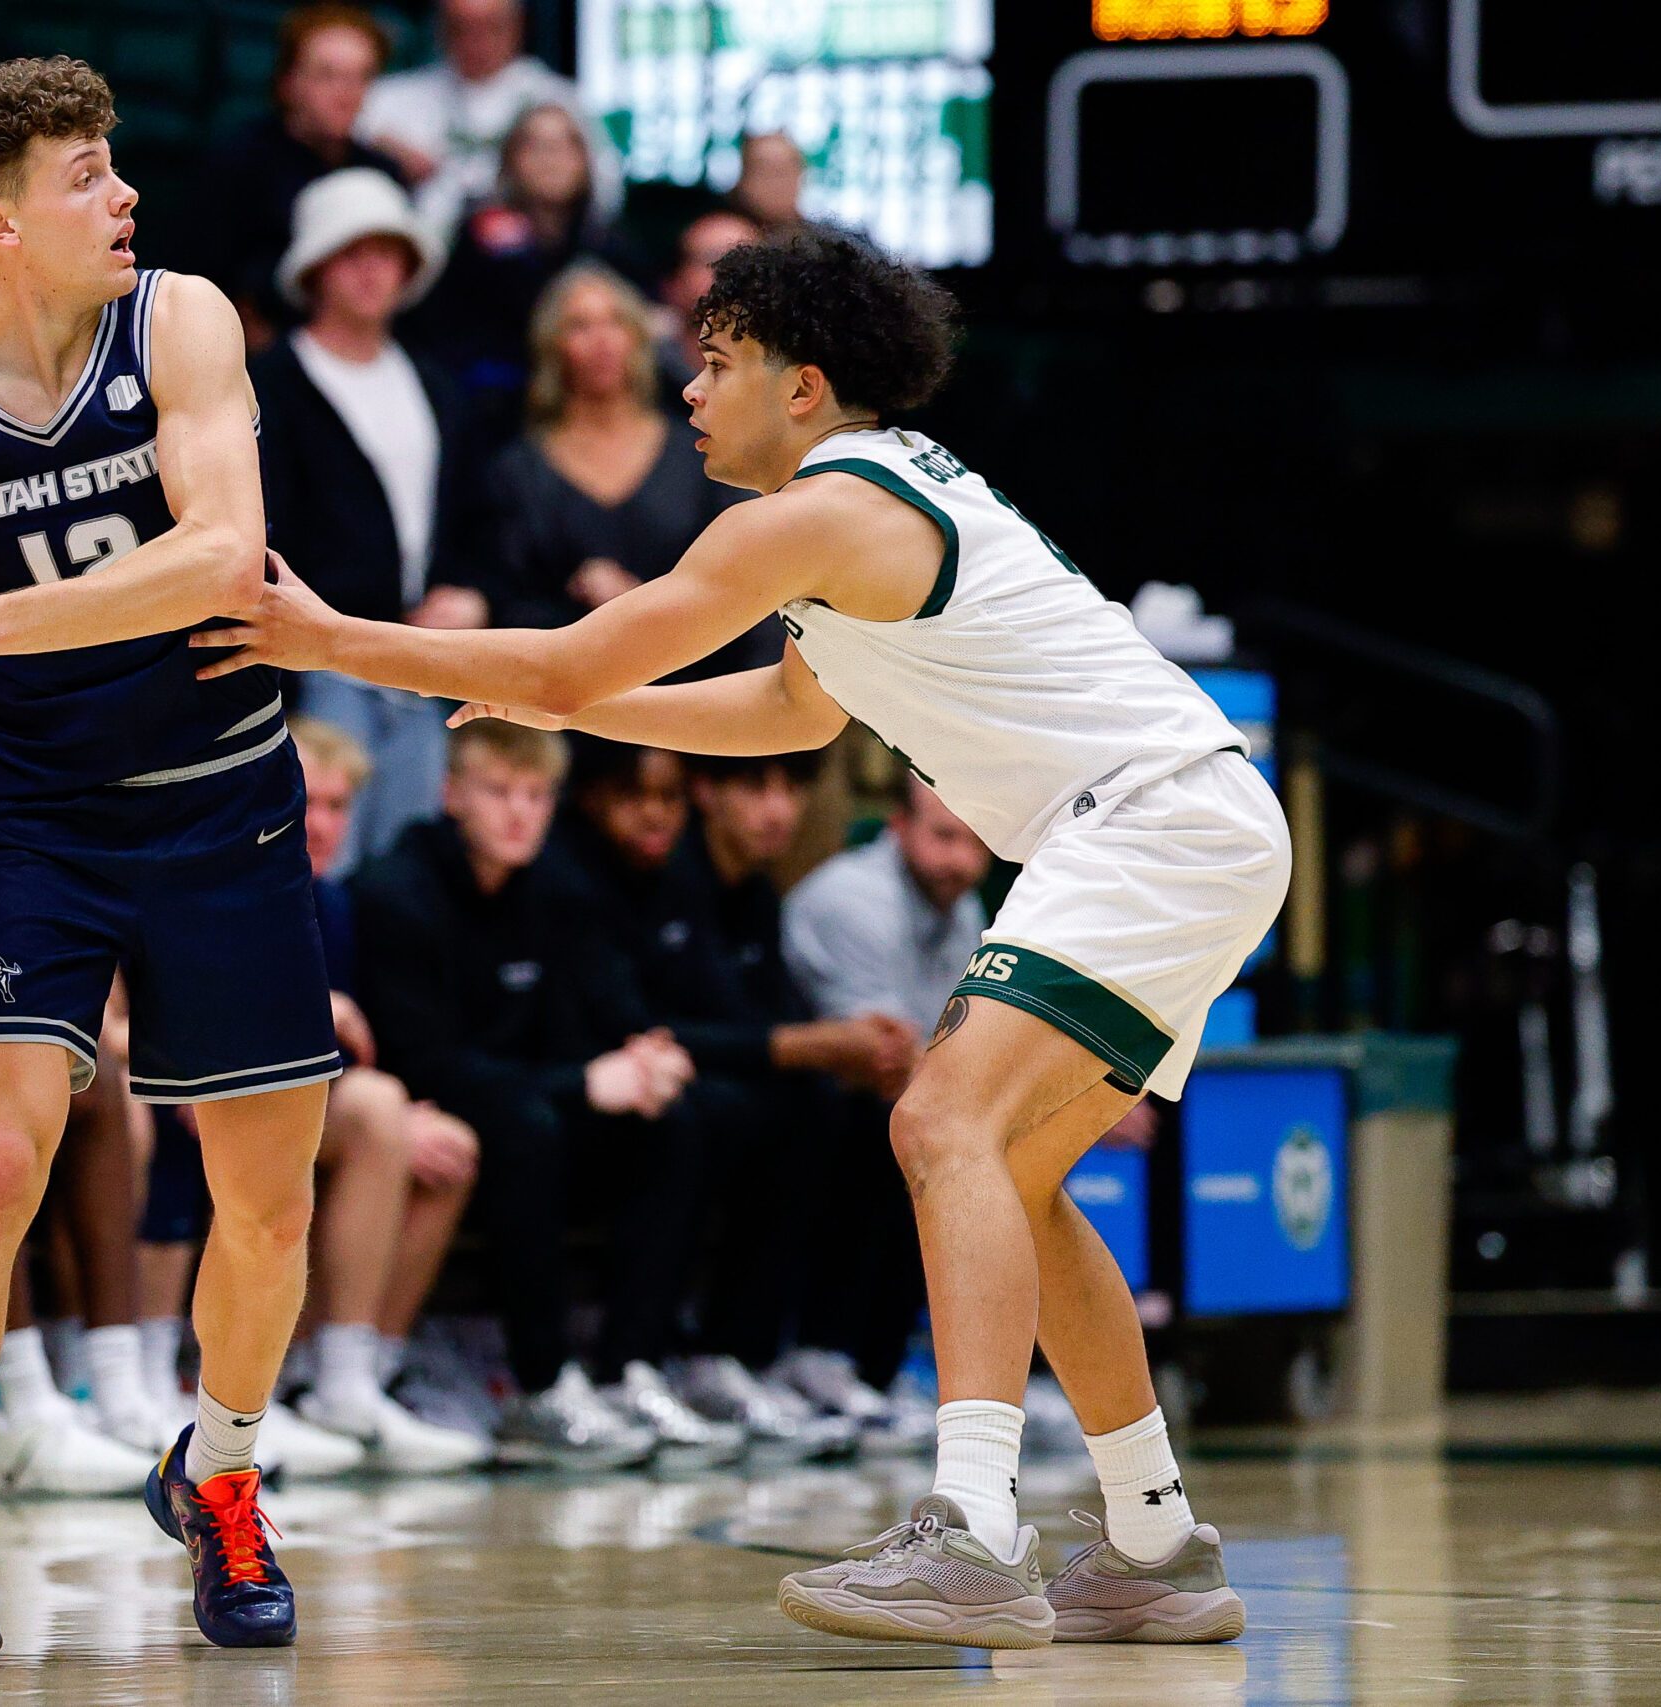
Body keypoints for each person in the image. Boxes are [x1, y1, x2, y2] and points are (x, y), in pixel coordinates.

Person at [201, 228, 1287, 1648]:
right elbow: (787, 713)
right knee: (1009, 1173)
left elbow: (571, 657)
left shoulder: (816, 509)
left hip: (1146, 823)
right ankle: (1153, 1537)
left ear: (807, 381)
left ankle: (972, 1528)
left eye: (717, 363)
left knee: (940, 1121)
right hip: (1185, 820)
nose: (690, 390)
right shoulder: (863, 504)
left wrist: (329, 635)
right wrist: (566, 705)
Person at [0, 56, 345, 1667]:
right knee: (1, 1157)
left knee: (265, 1203)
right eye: (89, 175)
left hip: (224, 792)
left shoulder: (183, 322)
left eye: (119, 169)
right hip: (39, 815)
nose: (126, 196)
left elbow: (223, 556)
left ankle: (220, 1470)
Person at [348, 719, 734, 1468]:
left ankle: (628, 1368)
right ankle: (540, 1382)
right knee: (528, 1123)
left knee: (676, 1120)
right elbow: (428, 1061)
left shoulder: (553, 885)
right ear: (451, 794)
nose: (520, 812)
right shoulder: (398, 891)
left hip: (530, 1099)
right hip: (436, 1107)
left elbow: (607, 1004)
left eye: (536, 795)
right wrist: (586, 1080)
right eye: (499, 792)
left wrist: (647, 1056)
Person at [549, 740, 892, 1458]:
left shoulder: (752, 894)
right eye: (756, 786)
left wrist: (836, 1048)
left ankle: (775, 1355)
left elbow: (750, 1021)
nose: (778, 810)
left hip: (693, 1094)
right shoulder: (625, 880)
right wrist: (803, 1044)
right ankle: (629, 1362)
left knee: (845, 1113)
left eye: (791, 789)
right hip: (602, 1090)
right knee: (707, 1118)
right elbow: (657, 1025)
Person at [253, 167, 486, 872]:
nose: (371, 270)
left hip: (422, 660)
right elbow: (263, 530)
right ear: (315, 268)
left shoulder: (434, 382)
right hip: (323, 661)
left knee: (409, 860)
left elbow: (468, 515)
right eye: (351, 252)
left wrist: (469, 591)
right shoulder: (271, 382)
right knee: (323, 858)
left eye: (386, 252)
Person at [280, 718, 486, 1471]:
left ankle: (362, 1372)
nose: (325, 824)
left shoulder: (332, 903)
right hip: (194, 1109)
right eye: (310, 803)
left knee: (435, 1140)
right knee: (374, 1111)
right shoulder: (217, 889)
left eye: (340, 807)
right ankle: (312, 1379)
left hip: (297, 1105)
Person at [487, 263, 772, 677]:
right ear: (552, 345)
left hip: (695, 686)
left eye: (615, 322)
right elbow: (505, 599)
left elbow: (741, 588)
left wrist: (644, 603)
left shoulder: (701, 453)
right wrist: (577, 595)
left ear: (637, 336)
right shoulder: (516, 470)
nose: (602, 341)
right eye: (579, 326)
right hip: (563, 693)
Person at [408, 103, 641, 434]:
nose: (550, 159)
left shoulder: (611, 247)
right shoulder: (478, 238)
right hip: (494, 418)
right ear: (510, 159)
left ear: (584, 160)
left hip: (591, 414)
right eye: (535, 146)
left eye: (564, 145)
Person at [197, 5, 406, 340]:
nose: (347, 93)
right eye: (328, 75)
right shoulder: (239, 162)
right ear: (288, 82)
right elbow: (202, 280)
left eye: (361, 76)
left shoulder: (383, 173)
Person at [357, 0, 619, 242]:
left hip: (528, 261)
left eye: (491, 27)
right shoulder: (389, 99)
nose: (476, 41)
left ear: (518, 26)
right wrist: (383, 157)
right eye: (461, 28)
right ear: (440, 30)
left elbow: (606, 194)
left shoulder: (558, 101)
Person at [785, 777, 993, 1032]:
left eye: (981, 841)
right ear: (900, 823)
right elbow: (885, 1055)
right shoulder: (850, 901)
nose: (965, 861)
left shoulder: (962, 900)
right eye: (944, 835)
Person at [653, 208, 757, 393]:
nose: (731, 276)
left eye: (748, 263)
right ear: (674, 283)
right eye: (712, 259)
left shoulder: (790, 375)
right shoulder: (643, 372)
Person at [730, 131, 815, 237]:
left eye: (783, 172)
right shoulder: (723, 236)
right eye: (765, 171)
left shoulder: (821, 241)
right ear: (744, 180)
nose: (776, 183)